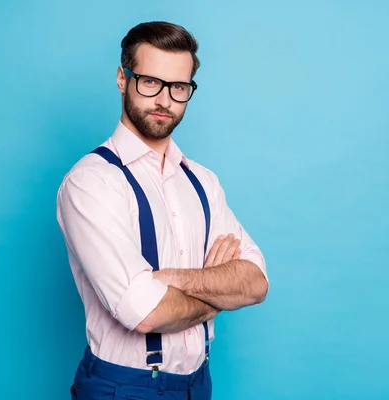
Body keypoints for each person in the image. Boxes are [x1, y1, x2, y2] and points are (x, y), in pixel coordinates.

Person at [56, 21, 269, 400]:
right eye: (150, 82)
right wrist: (217, 289)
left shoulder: (203, 181)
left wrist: (170, 278)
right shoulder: (91, 182)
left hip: (197, 382)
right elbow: (144, 312)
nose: (164, 100)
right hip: (122, 386)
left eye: (179, 87)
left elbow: (255, 283)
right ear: (123, 78)